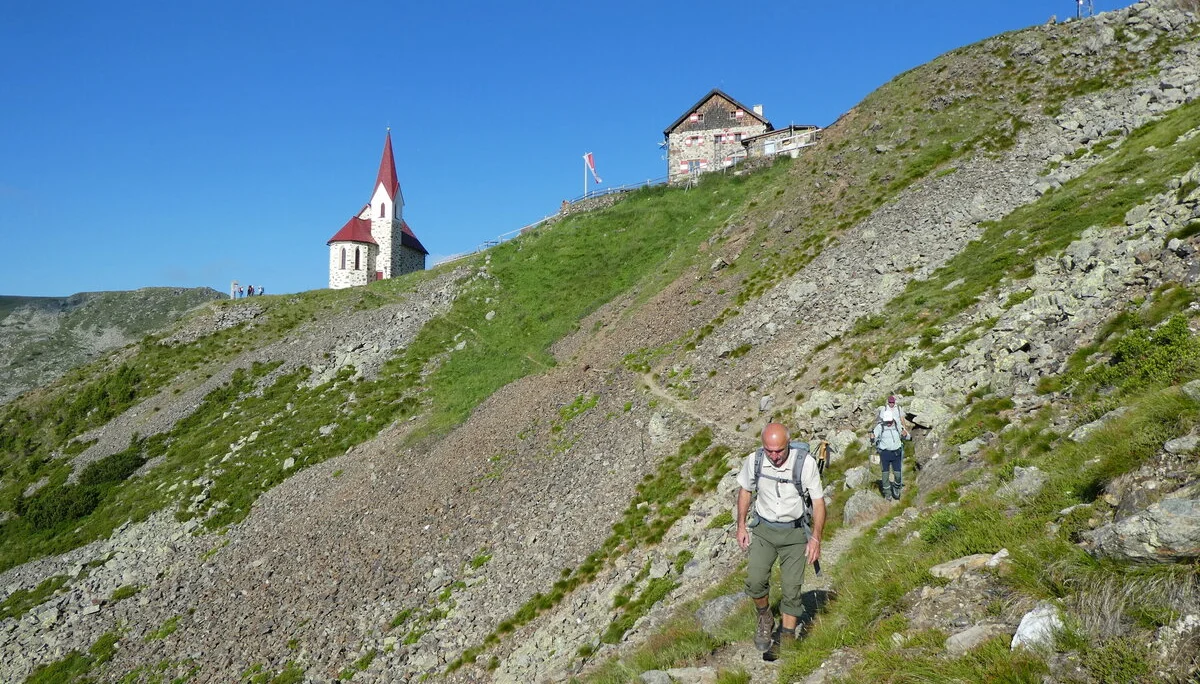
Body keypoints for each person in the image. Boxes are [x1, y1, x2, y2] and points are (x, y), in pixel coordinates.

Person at [736, 423, 825, 652]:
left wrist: (815, 538)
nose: (774, 456)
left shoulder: (805, 464)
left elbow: (818, 502)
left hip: (795, 533)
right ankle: (765, 617)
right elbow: (745, 490)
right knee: (755, 581)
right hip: (764, 530)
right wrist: (741, 526)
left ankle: (787, 637)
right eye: (769, 450)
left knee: (791, 588)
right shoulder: (754, 461)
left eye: (779, 450)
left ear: (789, 443)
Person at [872, 408, 910, 500]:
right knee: (885, 474)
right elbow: (873, 440)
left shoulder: (898, 426)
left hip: (896, 453)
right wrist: (872, 438)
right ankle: (887, 493)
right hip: (884, 453)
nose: (888, 423)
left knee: (897, 475)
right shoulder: (880, 427)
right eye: (886, 421)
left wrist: (905, 435)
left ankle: (896, 488)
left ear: (893, 419)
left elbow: (908, 437)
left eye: (889, 421)